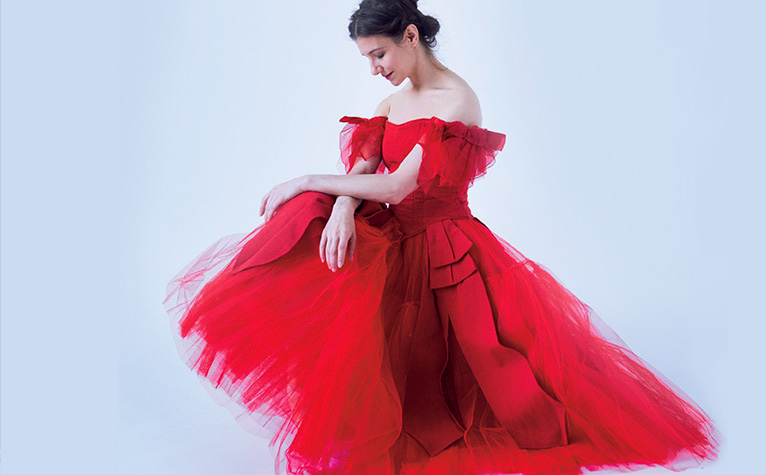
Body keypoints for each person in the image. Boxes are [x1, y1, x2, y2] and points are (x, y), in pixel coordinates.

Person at [163, 1, 721, 474]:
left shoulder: (458, 101)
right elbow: (363, 168)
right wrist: (341, 207)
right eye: (366, 59)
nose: (374, 70)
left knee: (481, 360)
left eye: (379, 55)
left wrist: (308, 179)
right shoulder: (390, 102)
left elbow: (399, 186)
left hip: (445, 245)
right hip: (392, 237)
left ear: (410, 36)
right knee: (311, 216)